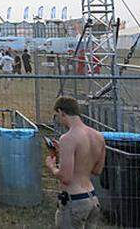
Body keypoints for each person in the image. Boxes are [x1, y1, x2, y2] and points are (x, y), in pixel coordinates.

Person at [46, 96, 106, 228]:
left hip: (74, 201)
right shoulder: (98, 136)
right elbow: (97, 171)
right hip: (92, 199)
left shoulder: (68, 138)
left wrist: (51, 167)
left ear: (62, 112)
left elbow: (66, 178)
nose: (60, 120)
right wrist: (64, 152)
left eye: (58, 116)